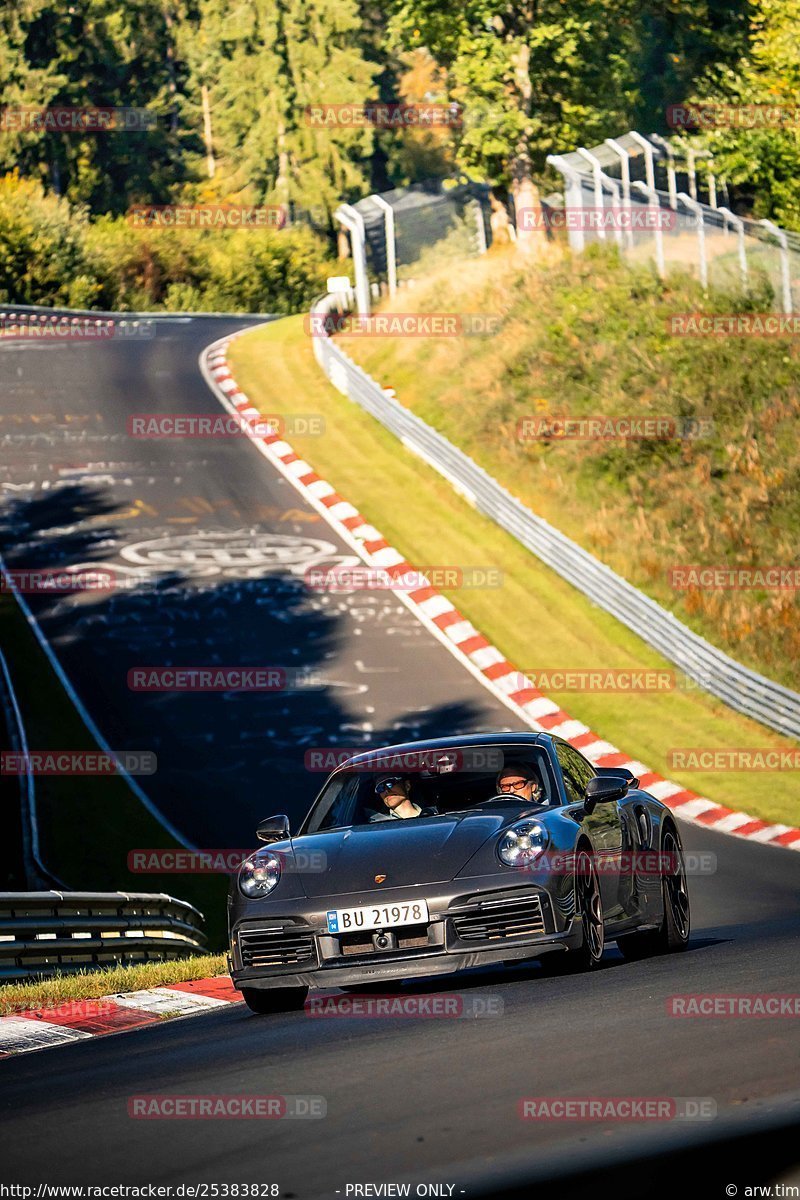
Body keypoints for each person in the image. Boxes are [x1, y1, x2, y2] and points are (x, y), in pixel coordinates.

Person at [369, 775, 436, 821]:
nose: (386, 790)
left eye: (390, 784)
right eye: (380, 788)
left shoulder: (437, 814)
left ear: (407, 785)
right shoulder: (379, 827)